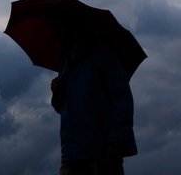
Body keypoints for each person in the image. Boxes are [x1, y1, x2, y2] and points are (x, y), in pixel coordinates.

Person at [50, 20, 137, 175]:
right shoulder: (66, 61)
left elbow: (121, 97)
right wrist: (57, 93)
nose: (57, 32)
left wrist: (115, 142)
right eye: (56, 28)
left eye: (60, 26)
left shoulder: (102, 52)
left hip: (102, 151)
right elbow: (64, 108)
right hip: (71, 152)